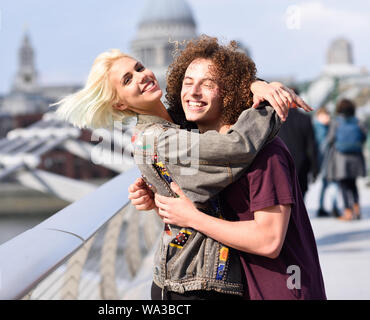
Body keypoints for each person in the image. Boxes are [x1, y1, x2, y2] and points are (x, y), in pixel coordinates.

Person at [54, 36, 312, 299]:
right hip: (191, 284)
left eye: (139, 68)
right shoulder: (159, 138)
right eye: (127, 80)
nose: (141, 76)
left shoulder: (180, 123)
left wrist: (256, 85)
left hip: (199, 278)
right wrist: (271, 102)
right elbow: (236, 146)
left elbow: (189, 197)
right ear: (120, 104)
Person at [131, 36, 326, 299]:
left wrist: (192, 218)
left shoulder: (265, 154)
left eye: (207, 84)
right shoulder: (206, 154)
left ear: (230, 91)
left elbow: (268, 240)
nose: (193, 92)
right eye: (188, 83)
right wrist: (160, 201)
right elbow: (201, 219)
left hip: (281, 289)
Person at [325, 99, 367, 221]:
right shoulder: (358, 121)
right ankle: (357, 210)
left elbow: (330, 139)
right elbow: (364, 136)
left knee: (343, 185)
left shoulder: (336, 122)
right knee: (353, 184)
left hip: (341, 158)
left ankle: (348, 213)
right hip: (356, 156)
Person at [277, 90, 319, 198]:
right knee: (300, 200)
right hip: (301, 167)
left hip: (279, 165)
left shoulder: (276, 118)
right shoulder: (305, 119)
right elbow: (311, 146)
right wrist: (315, 168)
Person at [313, 107, 339, 217]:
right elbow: (323, 146)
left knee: (326, 184)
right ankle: (332, 207)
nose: (328, 117)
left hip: (326, 161)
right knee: (331, 183)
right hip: (325, 161)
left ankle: (323, 207)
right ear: (319, 117)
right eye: (325, 115)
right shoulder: (320, 129)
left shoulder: (325, 127)